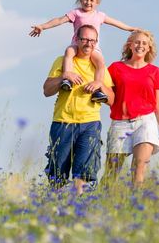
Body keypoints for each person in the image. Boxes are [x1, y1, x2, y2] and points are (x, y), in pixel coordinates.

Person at [30, 0, 137, 102]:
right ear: (81, 0)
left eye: (92, 0)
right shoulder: (76, 13)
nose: (88, 2)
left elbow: (116, 22)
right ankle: (67, 78)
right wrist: (42, 27)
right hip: (77, 44)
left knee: (100, 62)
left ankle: (97, 89)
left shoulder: (99, 15)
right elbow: (59, 20)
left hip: (93, 47)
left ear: (97, 3)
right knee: (69, 52)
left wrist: (130, 28)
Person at [43, 24, 114, 195]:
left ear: (96, 43)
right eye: (84, 39)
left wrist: (100, 85)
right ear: (76, 39)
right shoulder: (62, 61)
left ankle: (78, 207)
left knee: (84, 172)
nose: (88, 44)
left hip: (89, 123)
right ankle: (55, 208)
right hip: (63, 122)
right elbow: (46, 90)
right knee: (57, 173)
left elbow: (112, 100)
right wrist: (63, 77)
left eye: (92, 40)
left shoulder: (99, 67)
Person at [102, 29, 159, 187]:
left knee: (139, 167)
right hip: (120, 123)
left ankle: (134, 204)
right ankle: (101, 203)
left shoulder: (154, 71)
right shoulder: (115, 68)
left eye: (144, 43)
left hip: (146, 121)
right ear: (130, 45)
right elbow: (105, 94)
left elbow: (158, 103)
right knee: (112, 171)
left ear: (149, 48)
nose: (140, 45)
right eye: (137, 42)